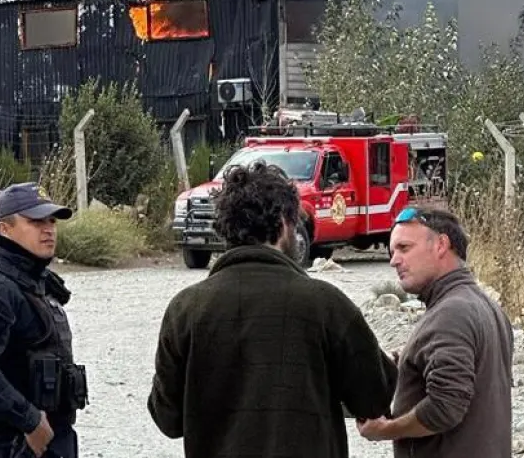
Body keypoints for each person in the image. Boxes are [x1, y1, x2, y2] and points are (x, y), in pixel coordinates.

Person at [147, 162, 398, 458]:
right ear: (282, 223)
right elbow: (374, 397)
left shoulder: (185, 309)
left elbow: (168, 418)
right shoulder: (325, 303)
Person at [356, 206, 514, 458]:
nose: (394, 260)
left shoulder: (452, 313)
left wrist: (386, 430)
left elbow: (445, 406)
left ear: (441, 245)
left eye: (404, 248)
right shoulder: (483, 306)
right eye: (392, 251)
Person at [0, 183, 87, 458]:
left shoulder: (35, 279)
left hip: (45, 440)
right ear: (5, 228)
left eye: (51, 221)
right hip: (10, 444)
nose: (48, 229)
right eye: (36, 221)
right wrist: (30, 420)